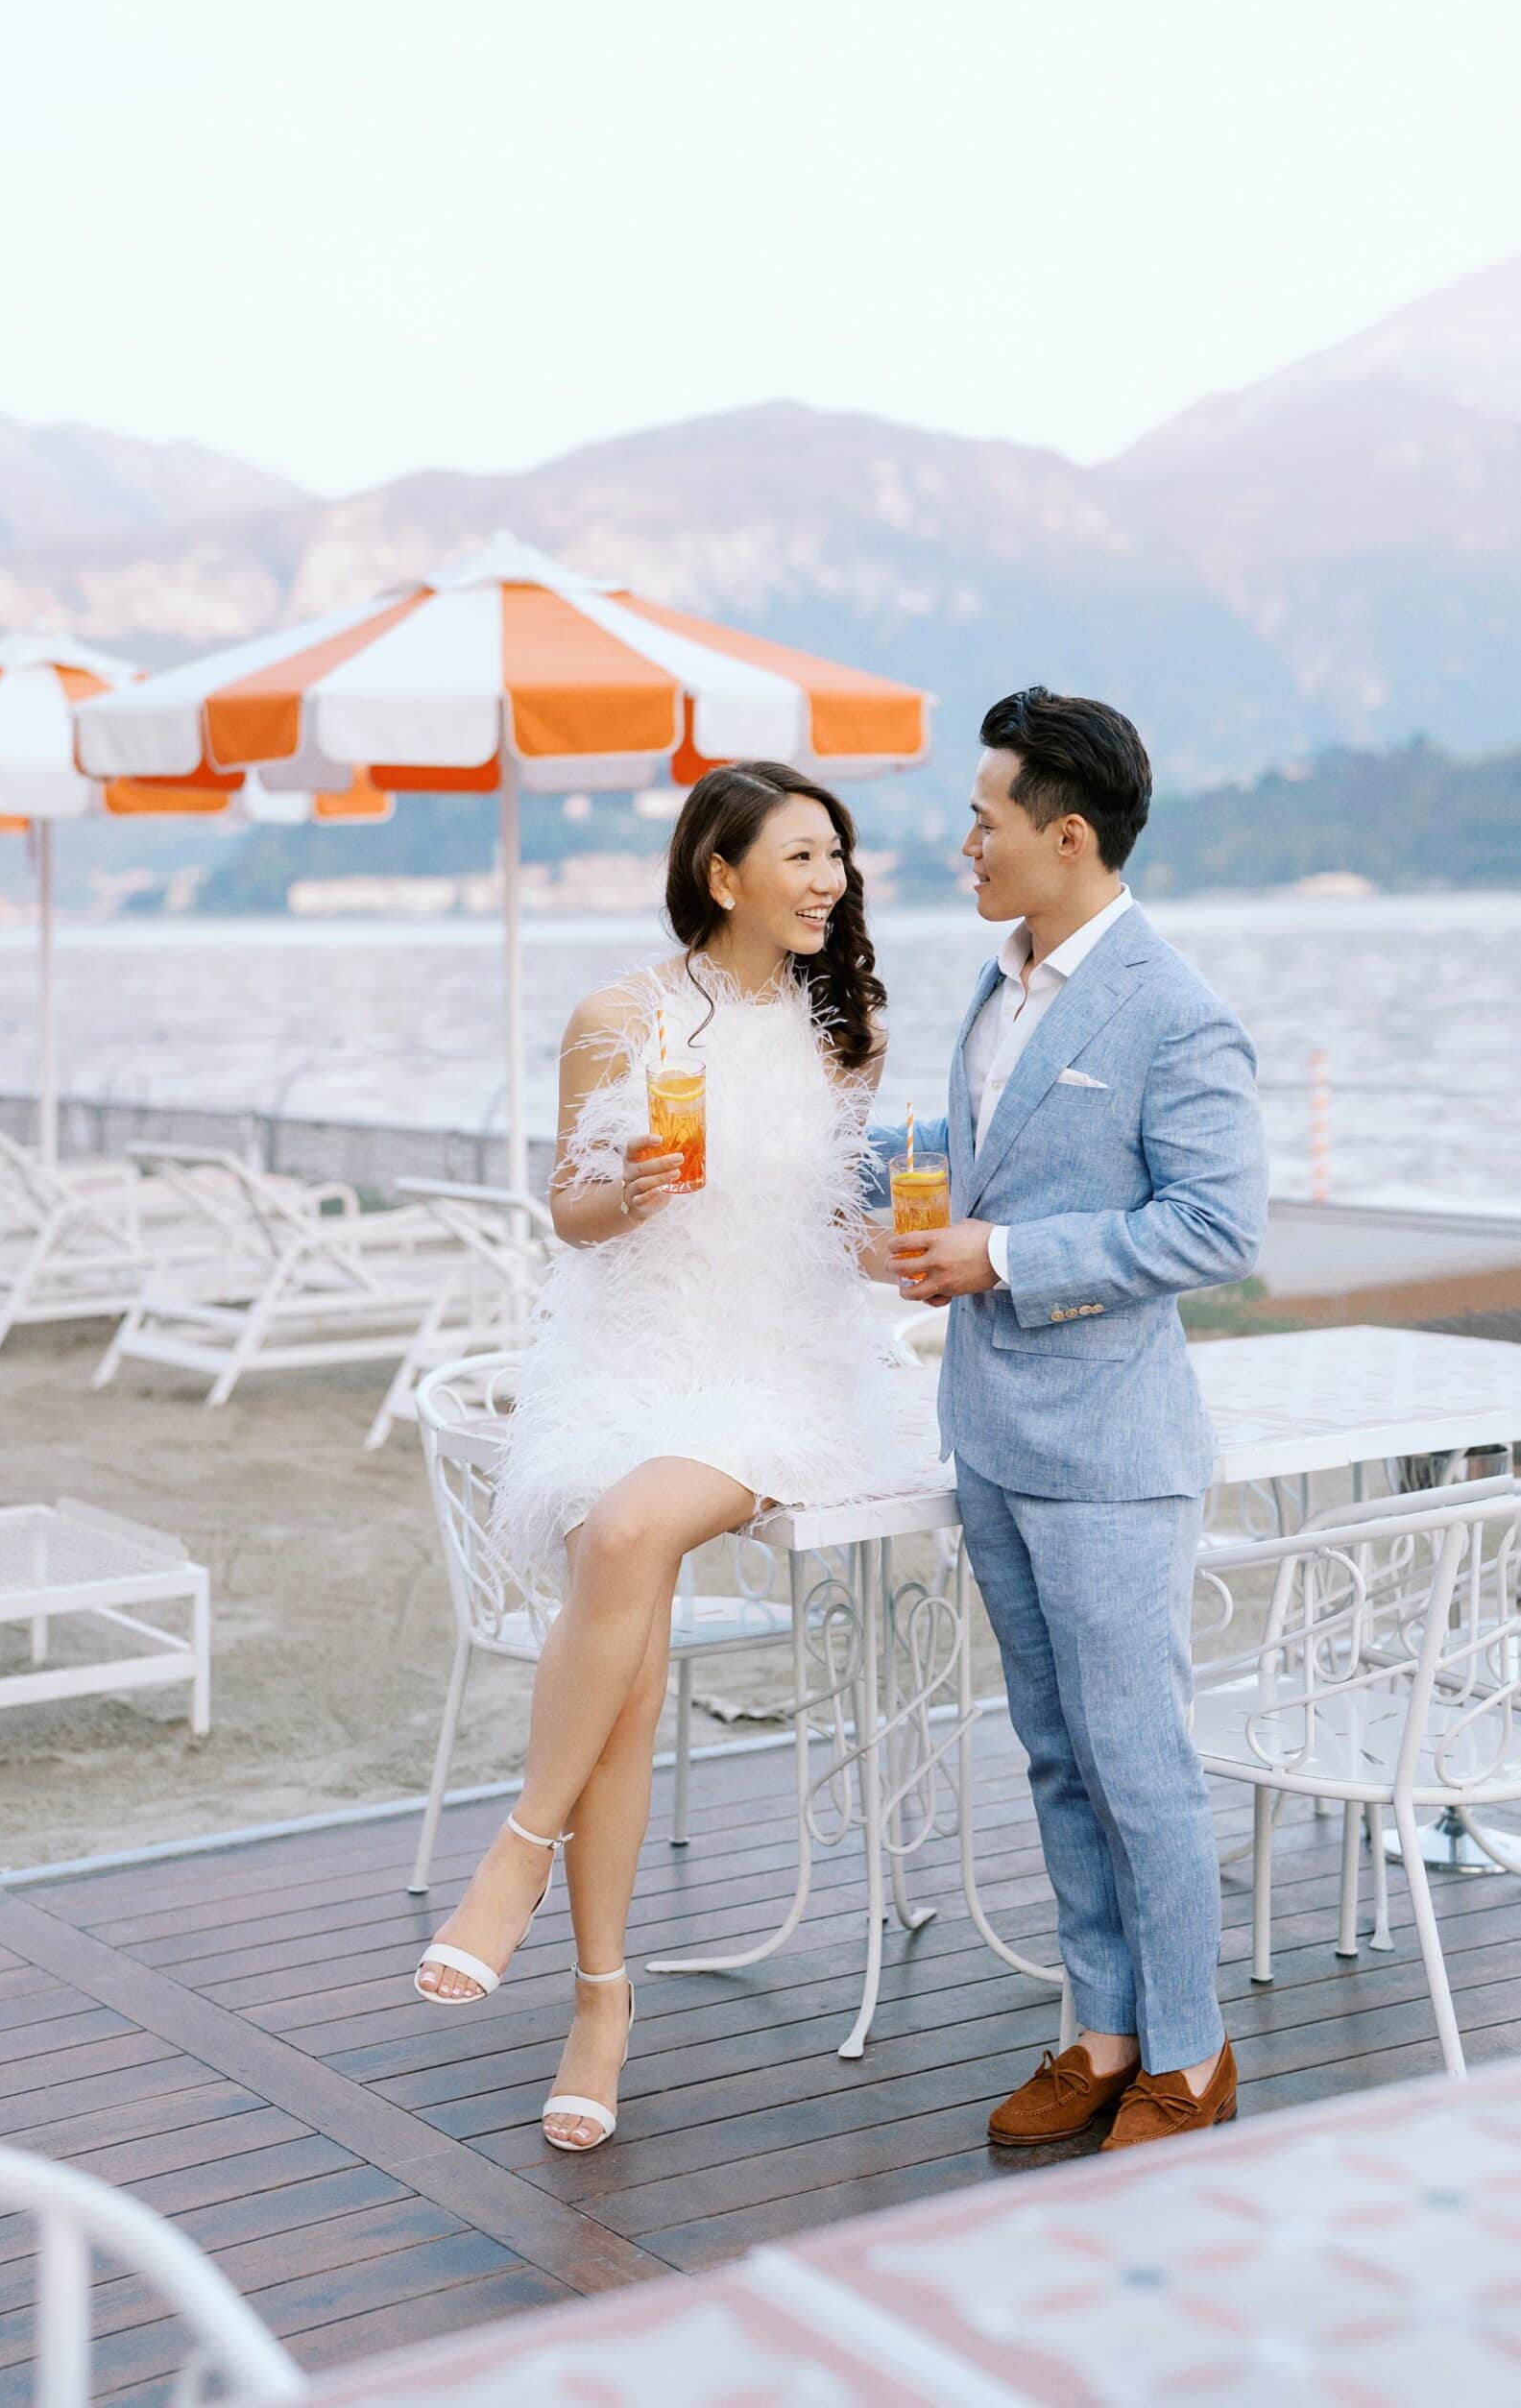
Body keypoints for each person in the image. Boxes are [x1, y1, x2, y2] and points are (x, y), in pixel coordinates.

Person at [415, 760, 935, 2155]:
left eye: (837, 856)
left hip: (778, 1371)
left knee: (629, 1535)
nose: (829, 880)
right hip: (630, 1356)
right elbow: (568, 1217)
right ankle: (600, 2004)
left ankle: (515, 1854)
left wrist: (906, 1252)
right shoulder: (619, 1018)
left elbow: (840, 1225)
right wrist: (622, 1191)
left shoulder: (852, 1030)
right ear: (722, 875)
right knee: (625, 1654)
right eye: (800, 857)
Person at [867, 686, 1268, 2151]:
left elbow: (1218, 1227)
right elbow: (990, 1172)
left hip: (1109, 1452)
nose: (960, 843)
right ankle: (1099, 2034)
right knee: (1050, 1748)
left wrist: (1011, 1257)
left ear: (1068, 835)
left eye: (982, 820)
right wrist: (910, 1226)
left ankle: (1191, 2055)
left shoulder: (1174, 1008)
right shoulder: (996, 986)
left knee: (1136, 1756)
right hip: (988, 1432)